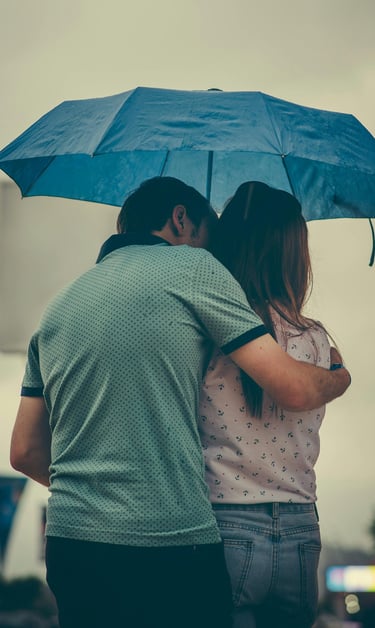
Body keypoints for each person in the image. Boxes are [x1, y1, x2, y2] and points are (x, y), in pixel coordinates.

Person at [10, 177, 350, 628]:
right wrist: (339, 376)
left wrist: (96, 495)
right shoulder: (194, 270)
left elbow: (25, 452)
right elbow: (291, 388)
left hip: (71, 542)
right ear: (181, 219)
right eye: (210, 239)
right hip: (170, 540)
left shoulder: (56, 309)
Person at [199, 181, 347, 628]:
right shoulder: (316, 339)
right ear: (294, 255)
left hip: (226, 521)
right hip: (302, 527)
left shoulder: (210, 334)